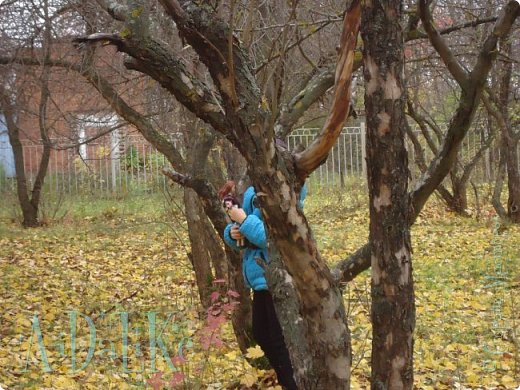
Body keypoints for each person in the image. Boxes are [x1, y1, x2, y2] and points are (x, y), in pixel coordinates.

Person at [220, 181, 306, 390]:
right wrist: (233, 232)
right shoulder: (252, 186)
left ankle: (294, 384)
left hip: (279, 277)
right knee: (261, 333)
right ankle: (290, 381)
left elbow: (275, 236)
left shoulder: (285, 186)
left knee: (280, 340)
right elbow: (248, 226)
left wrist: (244, 221)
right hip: (261, 279)